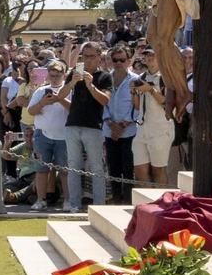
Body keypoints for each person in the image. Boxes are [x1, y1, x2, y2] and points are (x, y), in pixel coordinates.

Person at [59, 41, 111, 210]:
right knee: (73, 166)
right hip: (72, 125)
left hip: (93, 127)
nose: (88, 60)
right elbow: (60, 95)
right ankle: (74, 205)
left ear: (99, 57)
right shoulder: (75, 74)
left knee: (96, 167)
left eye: (91, 56)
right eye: (85, 56)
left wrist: (91, 86)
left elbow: (105, 100)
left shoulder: (104, 76)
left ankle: (99, 206)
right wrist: (72, 83)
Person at [28, 62, 70, 211]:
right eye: (51, 75)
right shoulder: (41, 91)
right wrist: (43, 103)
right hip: (42, 135)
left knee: (65, 171)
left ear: (64, 75)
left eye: (58, 75)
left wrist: (60, 98)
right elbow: (31, 111)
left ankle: (68, 200)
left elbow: (74, 109)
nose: (54, 78)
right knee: (41, 170)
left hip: (64, 136)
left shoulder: (69, 90)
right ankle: (41, 199)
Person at [131, 48, 173, 189]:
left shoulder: (167, 77)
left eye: (153, 55)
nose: (149, 58)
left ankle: (161, 205)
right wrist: (134, 92)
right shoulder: (141, 77)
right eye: (147, 55)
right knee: (139, 170)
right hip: (142, 128)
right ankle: (146, 204)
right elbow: (137, 107)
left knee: (158, 169)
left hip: (161, 128)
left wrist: (150, 90)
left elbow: (168, 104)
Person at [102, 46, 138, 203]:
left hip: (129, 132)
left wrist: (122, 125)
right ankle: (116, 201)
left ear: (129, 61)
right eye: (115, 60)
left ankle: (129, 202)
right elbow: (102, 104)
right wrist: (110, 123)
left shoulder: (136, 80)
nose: (118, 63)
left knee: (128, 170)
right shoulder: (105, 79)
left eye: (122, 60)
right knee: (113, 169)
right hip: (109, 131)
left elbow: (137, 107)